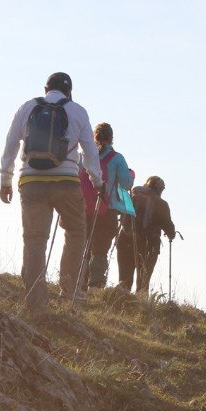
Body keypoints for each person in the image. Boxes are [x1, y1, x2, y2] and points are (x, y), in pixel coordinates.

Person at [0, 72, 102, 309]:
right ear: (70, 92)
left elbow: (11, 144)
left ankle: (35, 302)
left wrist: (6, 179)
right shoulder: (78, 111)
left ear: (46, 88)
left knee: (35, 240)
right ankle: (69, 293)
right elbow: (90, 153)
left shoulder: (27, 107)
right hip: (66, 181)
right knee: (76, 232)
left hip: (31, 181)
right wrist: (98, 183)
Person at [81, 122, 133, 288]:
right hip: (107, 210)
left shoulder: (84, 156)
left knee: (82, 245)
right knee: (100, 249)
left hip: (83, 209)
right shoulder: (117, 158)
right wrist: (131, 174)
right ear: (111, 138)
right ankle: (94, 285)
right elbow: (126, 184)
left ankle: (77, 282)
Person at [116, 176, 175, 294]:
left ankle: (121, 303)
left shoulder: (131, 196)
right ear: (159, 189)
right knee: (143, 280)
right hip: (148, 245)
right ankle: (141, 305)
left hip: (125, 240)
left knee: (124, 277)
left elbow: (118, 211)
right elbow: (169, 227)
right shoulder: (161, 204)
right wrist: (171, 234)